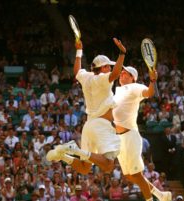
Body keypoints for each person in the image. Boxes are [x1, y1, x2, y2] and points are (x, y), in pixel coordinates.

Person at [47, 37, 126, 174]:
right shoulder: (102, 78)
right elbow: (115, 74)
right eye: (108, 66)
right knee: (108, 166)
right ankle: (74, 149)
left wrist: (79, 50)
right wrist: (122, 53)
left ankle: (63, 155)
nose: (110, 68)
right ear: (103, 68)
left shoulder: (86, 76)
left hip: (89, 126)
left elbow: (77, 70)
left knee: (85, 168)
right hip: (101, 126)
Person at [112, 65, 172, 201]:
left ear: (133, 78)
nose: (122, 74)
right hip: (120, 138)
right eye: (122, 72)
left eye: (126, 73)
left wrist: (152, 80)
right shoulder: (118, 91)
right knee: (130, 176)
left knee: (136, 175)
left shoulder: (135, 87)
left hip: (130, 136)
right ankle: (162, 195)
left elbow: (149, 93)